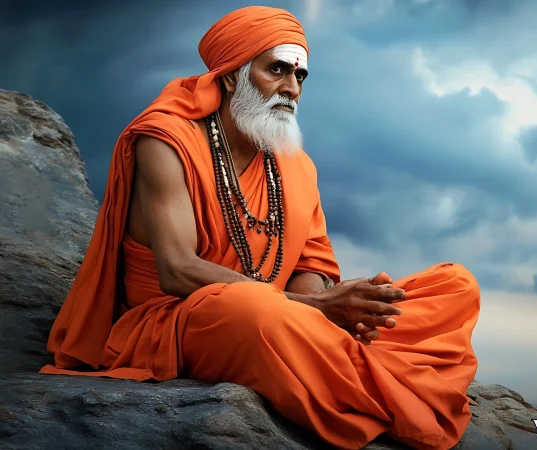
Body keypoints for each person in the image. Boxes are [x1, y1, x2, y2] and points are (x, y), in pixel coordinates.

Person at [41, 6, 481, 450]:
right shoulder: (167, 140)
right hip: (182, 319)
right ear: (232, 75)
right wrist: (321, 312)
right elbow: (176, 270)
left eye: (300, 76)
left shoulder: (294, 164)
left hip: (283, 314)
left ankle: (337, 359)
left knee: (456, 286)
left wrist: (336, 303)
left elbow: (308, 263)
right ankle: (394, 390)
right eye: (276, 71)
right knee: (251, 309)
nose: (291, 89)